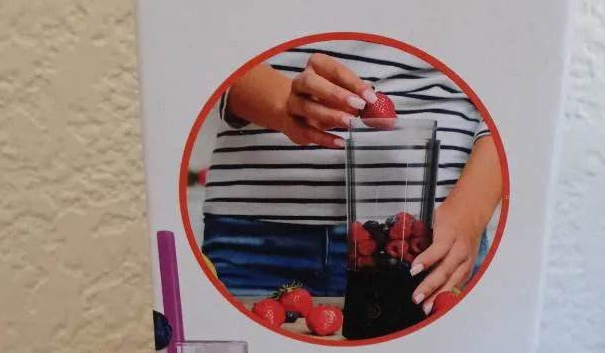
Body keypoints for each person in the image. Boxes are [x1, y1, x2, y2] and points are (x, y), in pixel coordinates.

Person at [201, 39, 502, 315]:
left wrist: (469, 213)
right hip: (253, 240)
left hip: (429, 242)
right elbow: (211, 43)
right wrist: (284, 103)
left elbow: (514, 79)